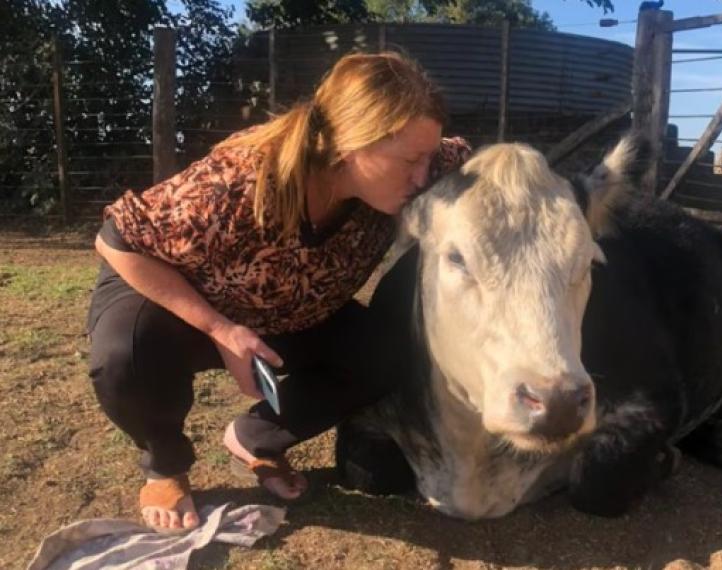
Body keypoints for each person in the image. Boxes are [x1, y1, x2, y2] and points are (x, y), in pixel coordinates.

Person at [86, 51, 472, 533]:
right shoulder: (242, 177)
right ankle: (164, 463)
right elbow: (117, 240)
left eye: (429, 158)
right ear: (350, 143)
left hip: (292, 312)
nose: (423, 177)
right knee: (126, 351)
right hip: (177, 300)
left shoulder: (419, 167)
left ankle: (256, 437)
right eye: (410, 161)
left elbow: (485, 164)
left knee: (386, 353)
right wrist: (220, 329)